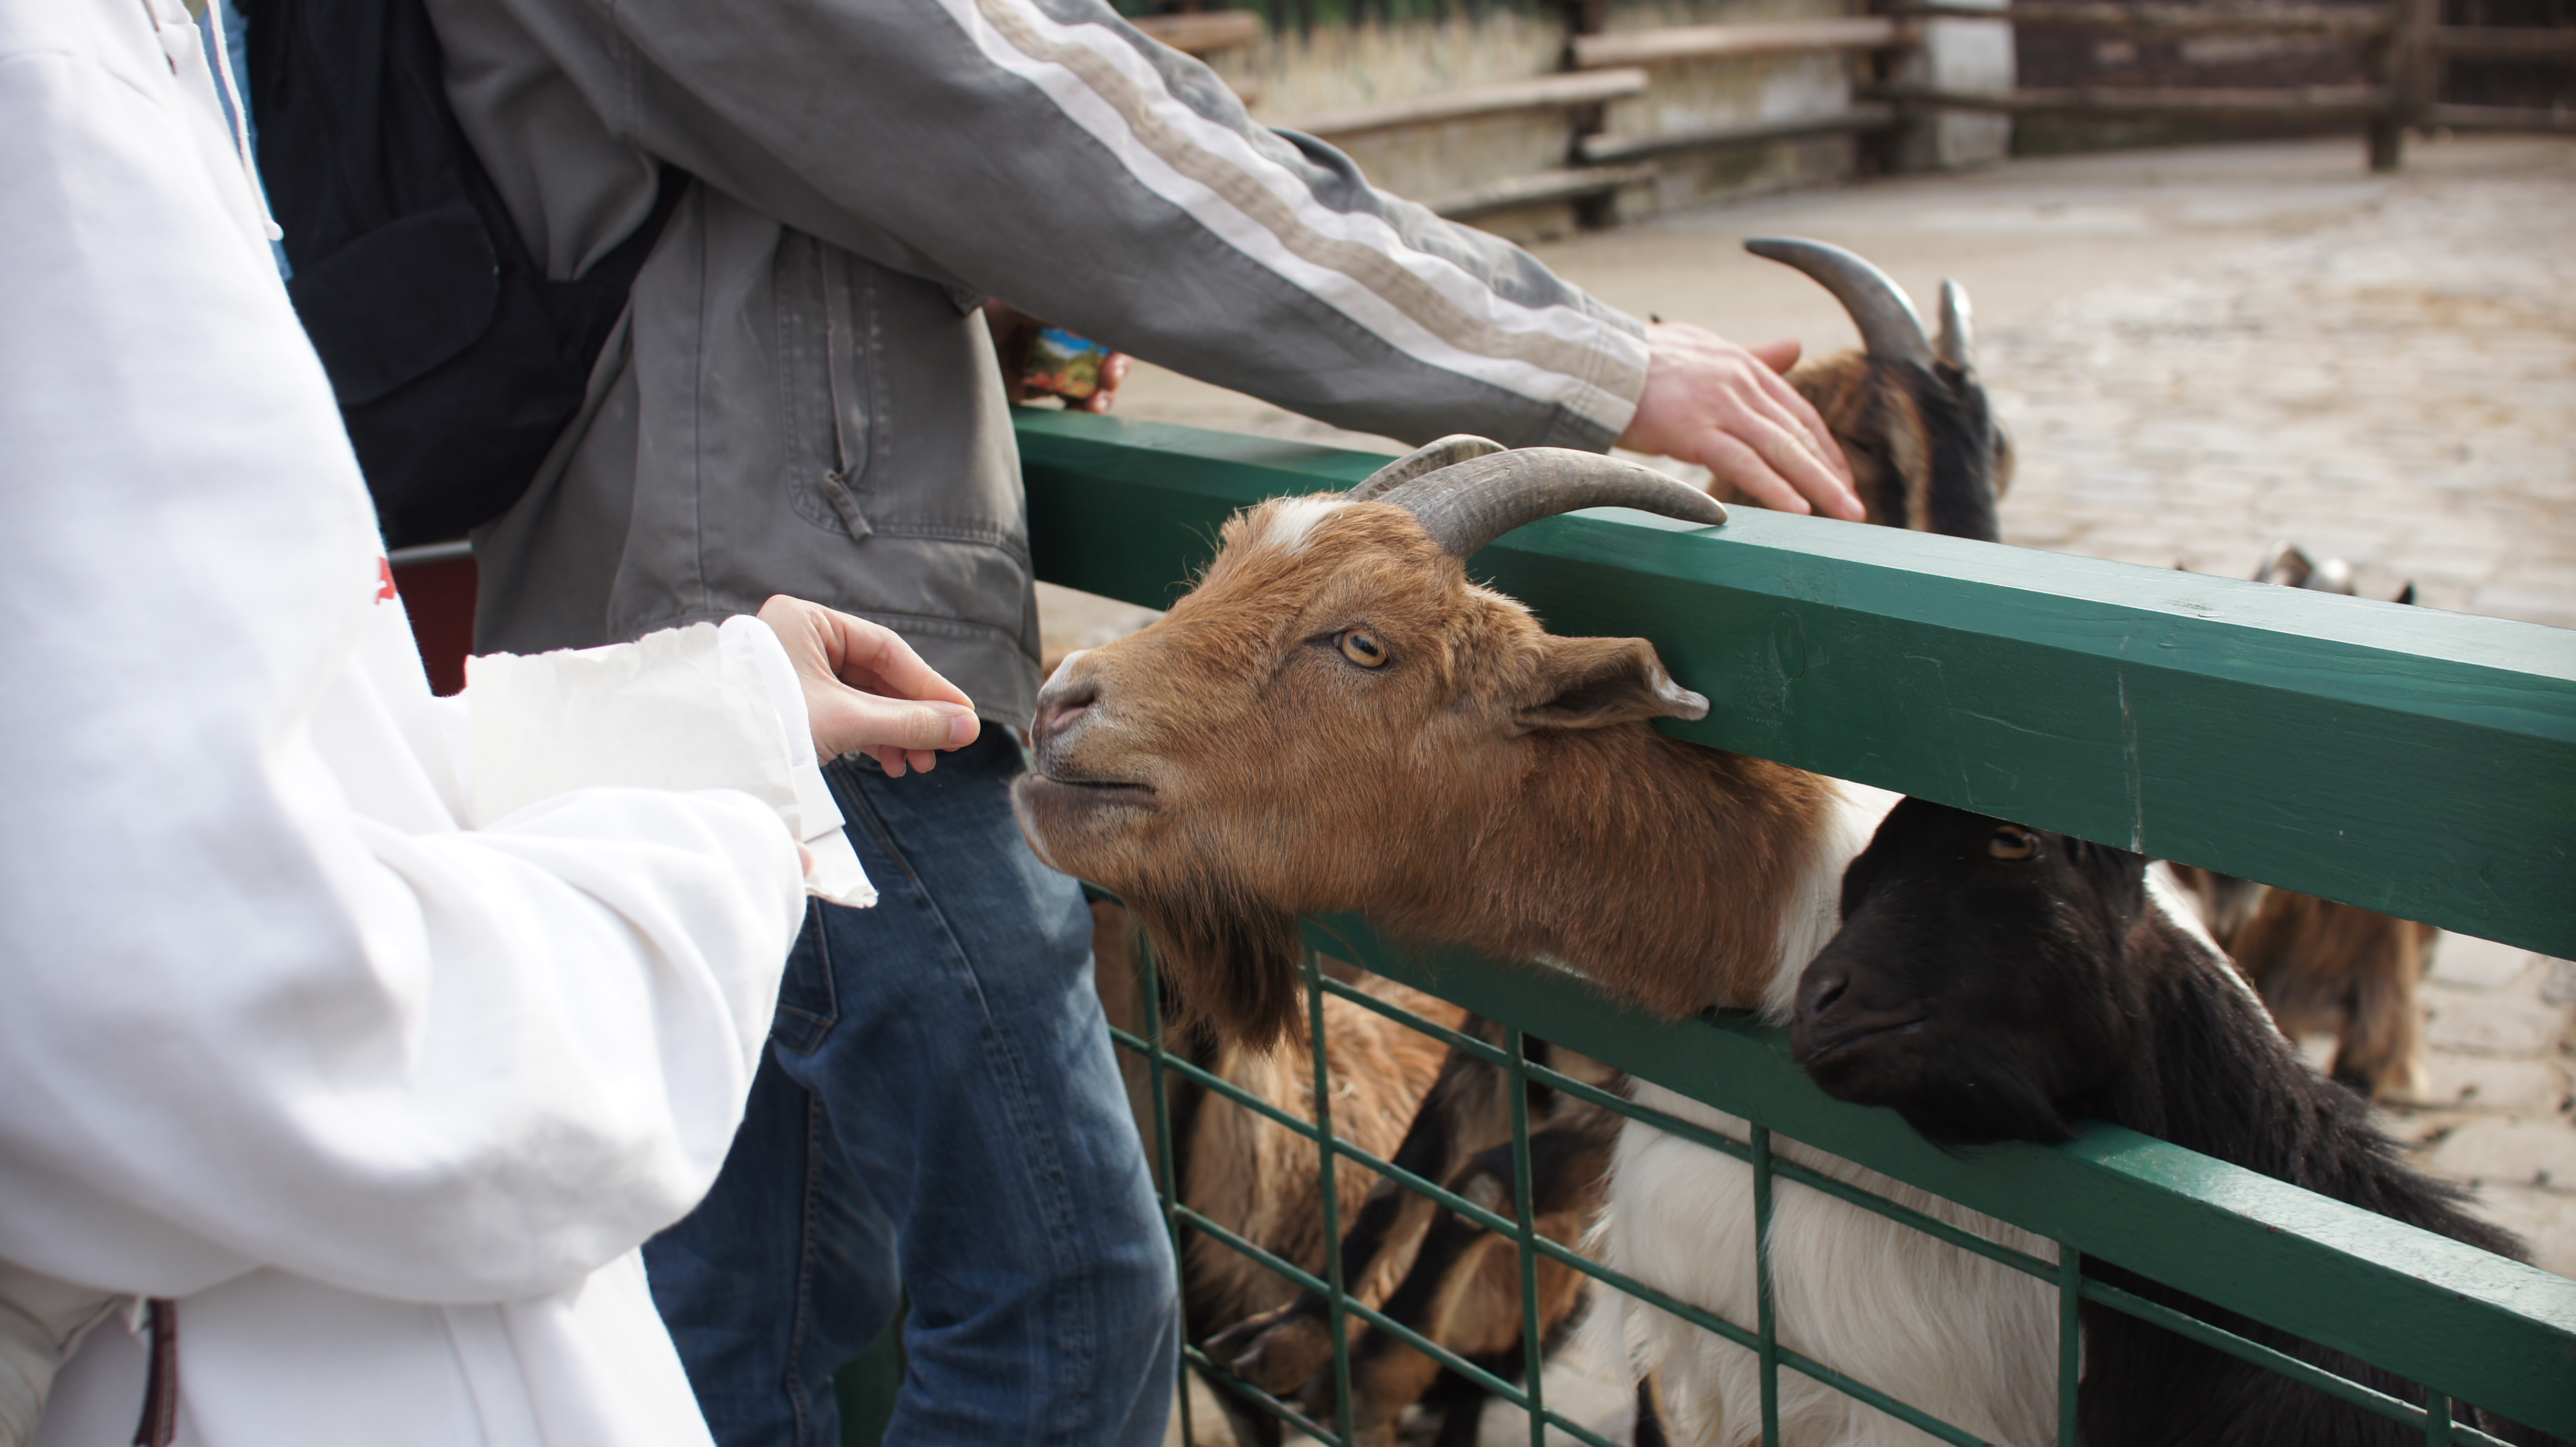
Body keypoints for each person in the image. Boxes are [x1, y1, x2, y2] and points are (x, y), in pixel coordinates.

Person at [414, 1, 1866, 1441]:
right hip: (826, 657)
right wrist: (1580, 362)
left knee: (742, 1303)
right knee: (1068, 1316)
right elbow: (1030, 121)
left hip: (660, 633)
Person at [0, 2, 981, 1442]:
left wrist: (726, 705)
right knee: (1055, 1284)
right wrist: (710, 881)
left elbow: (264, 765)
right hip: (258, 1371)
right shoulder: (51, 82)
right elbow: (220, 1017)